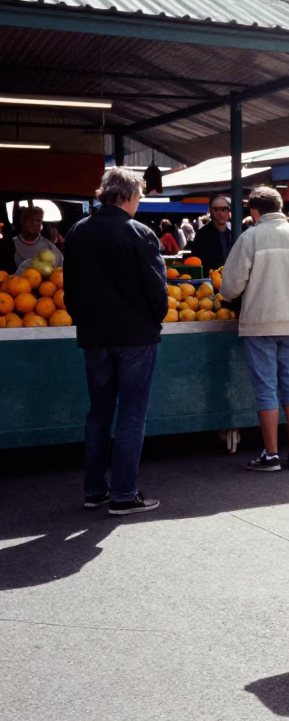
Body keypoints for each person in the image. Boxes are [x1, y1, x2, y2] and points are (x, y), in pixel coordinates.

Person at [64, 168, 169, 515]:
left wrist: (84, 320)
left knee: (99, 413)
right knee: (131, 415)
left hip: (94, 336)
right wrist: (155, 319)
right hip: (135, 336)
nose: (139, 203)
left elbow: (71, 293)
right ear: (126, 196)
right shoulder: (140, 234)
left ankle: (94, 490)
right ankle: (124, 494)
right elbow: (158, 292)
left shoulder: (78, 232)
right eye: (139, 197)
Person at [221, 187, 289, 472]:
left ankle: (271, 455)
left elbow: (230, 287)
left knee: (266, 388)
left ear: (255, 211)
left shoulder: (250, 237)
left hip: (260, 323)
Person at [0, 205, 65, 273]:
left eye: (38, 220)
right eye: (30, 220)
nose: (35, 223)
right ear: (22, 222)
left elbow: (61, 271)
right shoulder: (9, 245)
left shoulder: (50, 247)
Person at [189, 195, 233, 270]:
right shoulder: (202, 234)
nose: (220, 213)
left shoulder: (232, 234)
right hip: (210, 278)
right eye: (216, 209)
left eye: (223, 209)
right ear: (210, 211)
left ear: (228, 211)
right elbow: (196, 262)